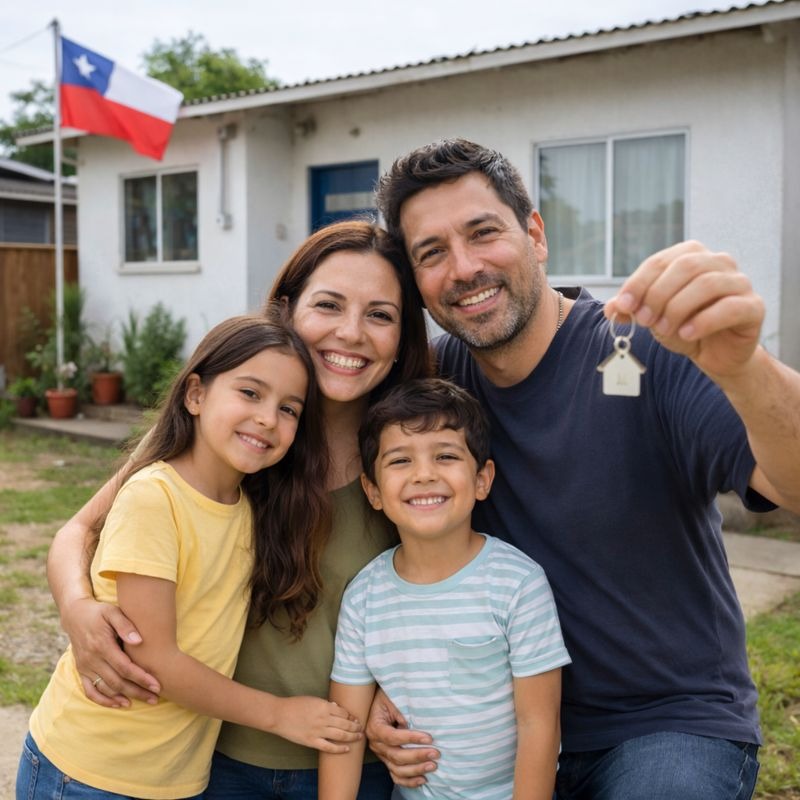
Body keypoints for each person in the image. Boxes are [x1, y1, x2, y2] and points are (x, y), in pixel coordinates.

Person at [366, 138, 800, 800]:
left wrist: (745, 369)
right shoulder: (431, 385)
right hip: (493, 725)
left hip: (664, 723)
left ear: (535, 235)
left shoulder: (647, 349)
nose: (464, 267)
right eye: (432, 253)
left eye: (484, 233)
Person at [44, 220, 432, 799]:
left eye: (380, 314)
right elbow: (79, 529)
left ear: (402, 338)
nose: (351, 333)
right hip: (215, 760)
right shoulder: (226, 435)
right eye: (329, 305)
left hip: (349, 762)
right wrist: (77, 609)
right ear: (286, 310)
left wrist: (388, 698)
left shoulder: (413, 458)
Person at [16, 312, 364, 800]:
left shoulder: (246, 505)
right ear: (195, 394)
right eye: (249, 393)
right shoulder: (154, 497)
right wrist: (280, 714)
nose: (268, 417)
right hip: (92, 773)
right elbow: (154, 656)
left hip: (174, 780)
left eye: (289, 409)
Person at [319, 378, 570, 800]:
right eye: (400, 461)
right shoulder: (364, 596)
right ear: (373, 491)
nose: (424, 475)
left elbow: (539, 727)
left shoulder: (518, 585)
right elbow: (347, 729)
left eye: (446, 456)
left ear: (482, 480)